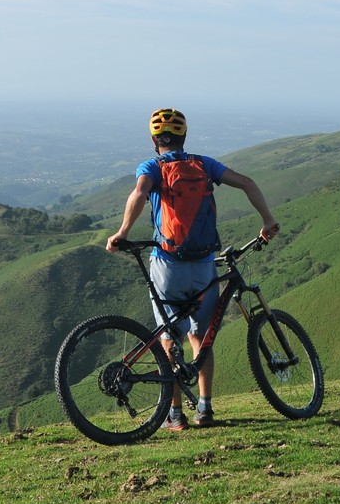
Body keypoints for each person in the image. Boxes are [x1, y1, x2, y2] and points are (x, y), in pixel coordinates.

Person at [106, 107, 280, 430]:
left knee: (170, 339)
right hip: (203, 266)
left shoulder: (152, 166)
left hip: (168, 266)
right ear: (184, 137)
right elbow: (247, 182)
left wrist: (123, 233)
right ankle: (205, 409)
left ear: (154, 140)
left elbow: (140, 193)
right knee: (201, 338)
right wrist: (267, 219)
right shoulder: (204, 164)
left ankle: (174, 416)